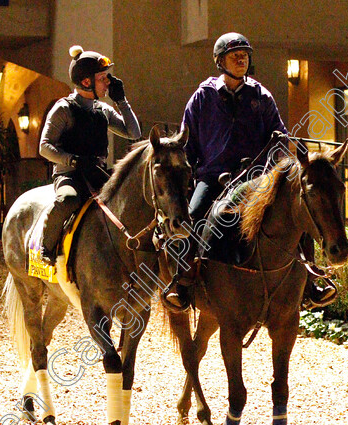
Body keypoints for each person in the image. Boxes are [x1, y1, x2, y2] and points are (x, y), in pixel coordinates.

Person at [164, 32, 333, 310]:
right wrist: (187, 178)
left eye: (244, 55)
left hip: (257, 179)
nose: (241, 59)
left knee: (298, 211)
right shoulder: (202, 97)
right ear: (220, 61)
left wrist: (284, 151)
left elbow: (279, 135)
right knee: (192, 217)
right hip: (213, 177)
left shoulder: (260, 95)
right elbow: (188, 142)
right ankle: (182, 285)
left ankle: (312, 283)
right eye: (234, 56)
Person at [38, 45, 141, 265]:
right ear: (86, 82)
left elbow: (134, 133)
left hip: (97, 172)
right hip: (71, 174)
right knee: (68, 199)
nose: (108, 83)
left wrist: (122, 101)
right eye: (103, 78)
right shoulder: (63, 109)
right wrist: (73, 160)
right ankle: (46, 246)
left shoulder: (102, 110)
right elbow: (44, 147)